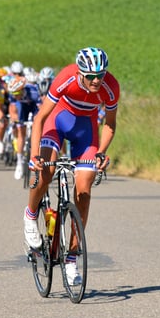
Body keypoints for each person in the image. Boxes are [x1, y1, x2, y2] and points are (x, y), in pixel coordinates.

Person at [22, 47, 120, 285]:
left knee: (84, 191)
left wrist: (100, 152)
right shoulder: (66, 78)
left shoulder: (110, 87)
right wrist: (35, 156)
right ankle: (31, 214)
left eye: (101, 74)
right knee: (47, 171)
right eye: (91, 76)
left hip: (85, 131)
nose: (97, 80)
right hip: (57, 122)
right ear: (80, 73)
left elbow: (109, 124)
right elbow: (40, 119)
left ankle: (72, 259)